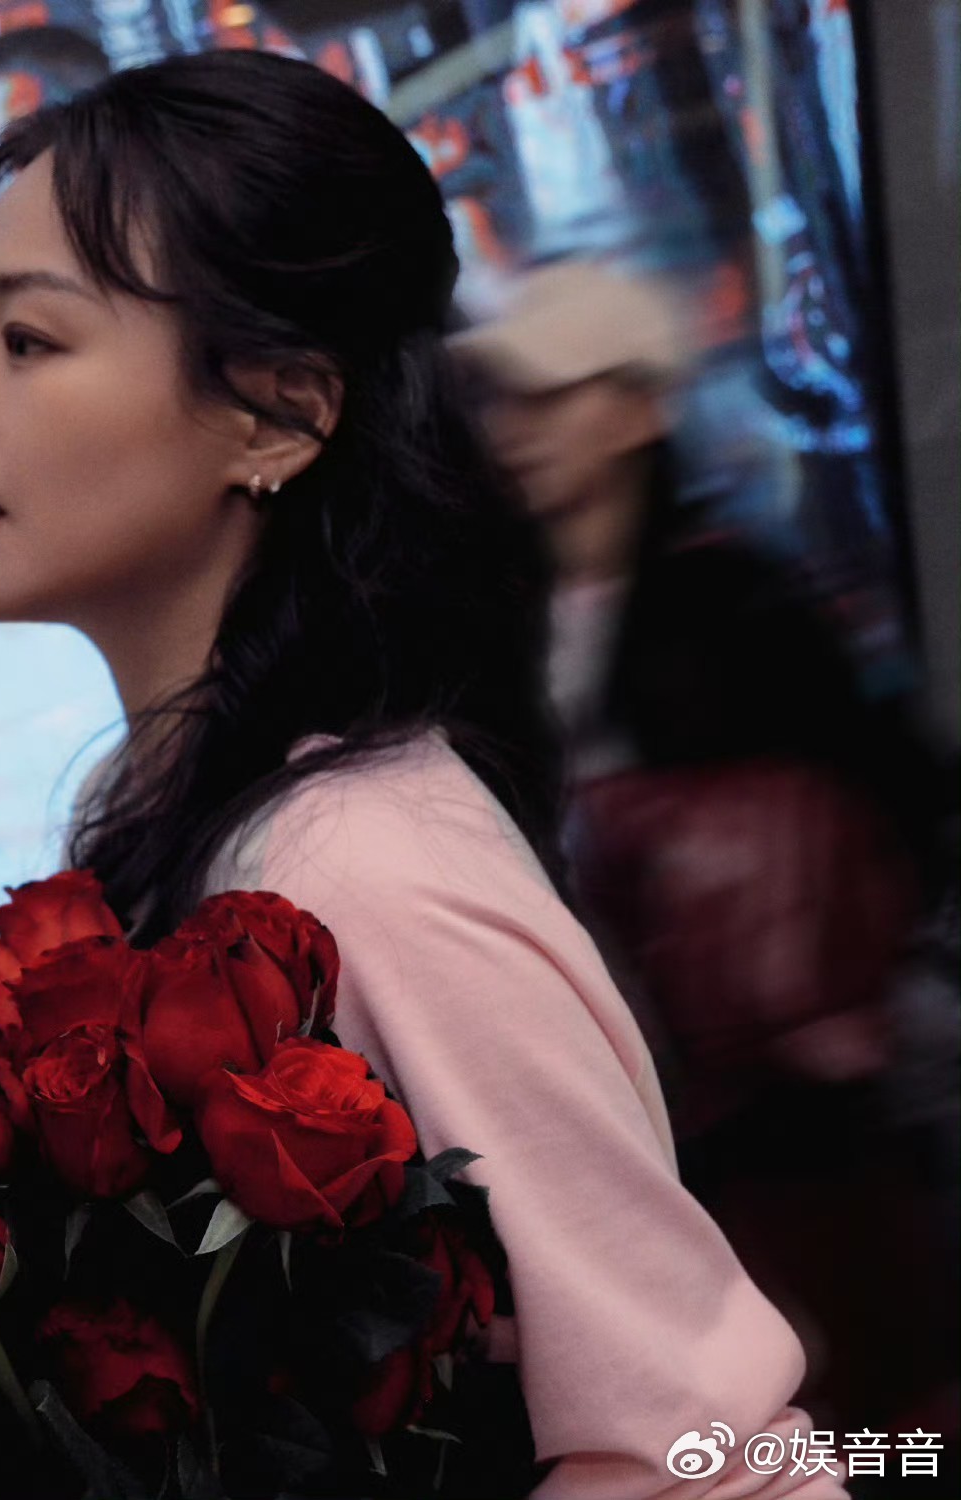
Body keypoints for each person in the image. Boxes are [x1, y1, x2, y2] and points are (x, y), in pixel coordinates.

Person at [0, 51, 843, 1498]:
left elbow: (704, 1453)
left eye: (28, 340)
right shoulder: (201, 813)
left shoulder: (360, 868)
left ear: (280, 415)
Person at [461, 261, 960, 1439]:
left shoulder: (740, 603)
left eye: (552, 395)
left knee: (850, 1401)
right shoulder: (483, 621)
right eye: (505, 399)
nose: (518, 428)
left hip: (786, 1125)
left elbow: (902, 792)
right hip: (610, 1112)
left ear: (639, 408)